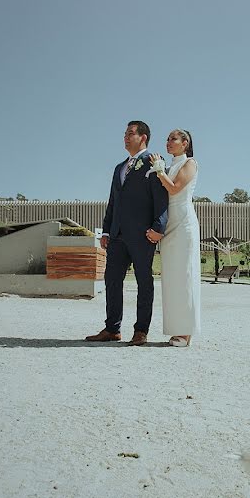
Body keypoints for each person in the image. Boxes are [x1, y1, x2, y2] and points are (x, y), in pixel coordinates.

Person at [85, 120, 169, 345]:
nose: (125, 137)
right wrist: (106, 231)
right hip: (117, 235)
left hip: (143, 235)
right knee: (111, 280)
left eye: (130, 133)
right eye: (125, 133)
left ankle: (141, 331)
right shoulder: (119, 168)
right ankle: (112, 329)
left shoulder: (154, 162)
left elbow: (161, 198)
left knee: (144, 281)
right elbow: (113, 202)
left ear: (143, 137)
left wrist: (158, 228)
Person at [148, 129, 201, 347]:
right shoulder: (170, 166)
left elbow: (175, 189)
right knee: (172, 279)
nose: (168, 142)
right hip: (169, 223)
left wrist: (159, 170)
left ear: (185, 143)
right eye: (167, 139)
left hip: (184, 224)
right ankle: (175, 328)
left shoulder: (190, 164)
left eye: (173, 139)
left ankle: (186, 332)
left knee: (185, 275)